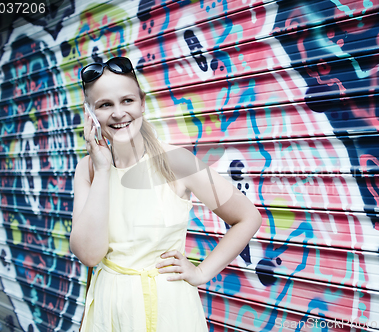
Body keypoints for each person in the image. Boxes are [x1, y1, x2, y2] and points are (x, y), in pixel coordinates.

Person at [70, 57, 262, 331]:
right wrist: (102, 171)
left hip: (169, 311)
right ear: (90, 113)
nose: (118, 113)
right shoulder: (88, 169)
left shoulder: (177, 161)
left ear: (142, 102)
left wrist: (201, 272)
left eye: (127, 101)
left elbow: (247, 217)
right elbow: (89, 255)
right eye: (105, 105)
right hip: (109, 311)